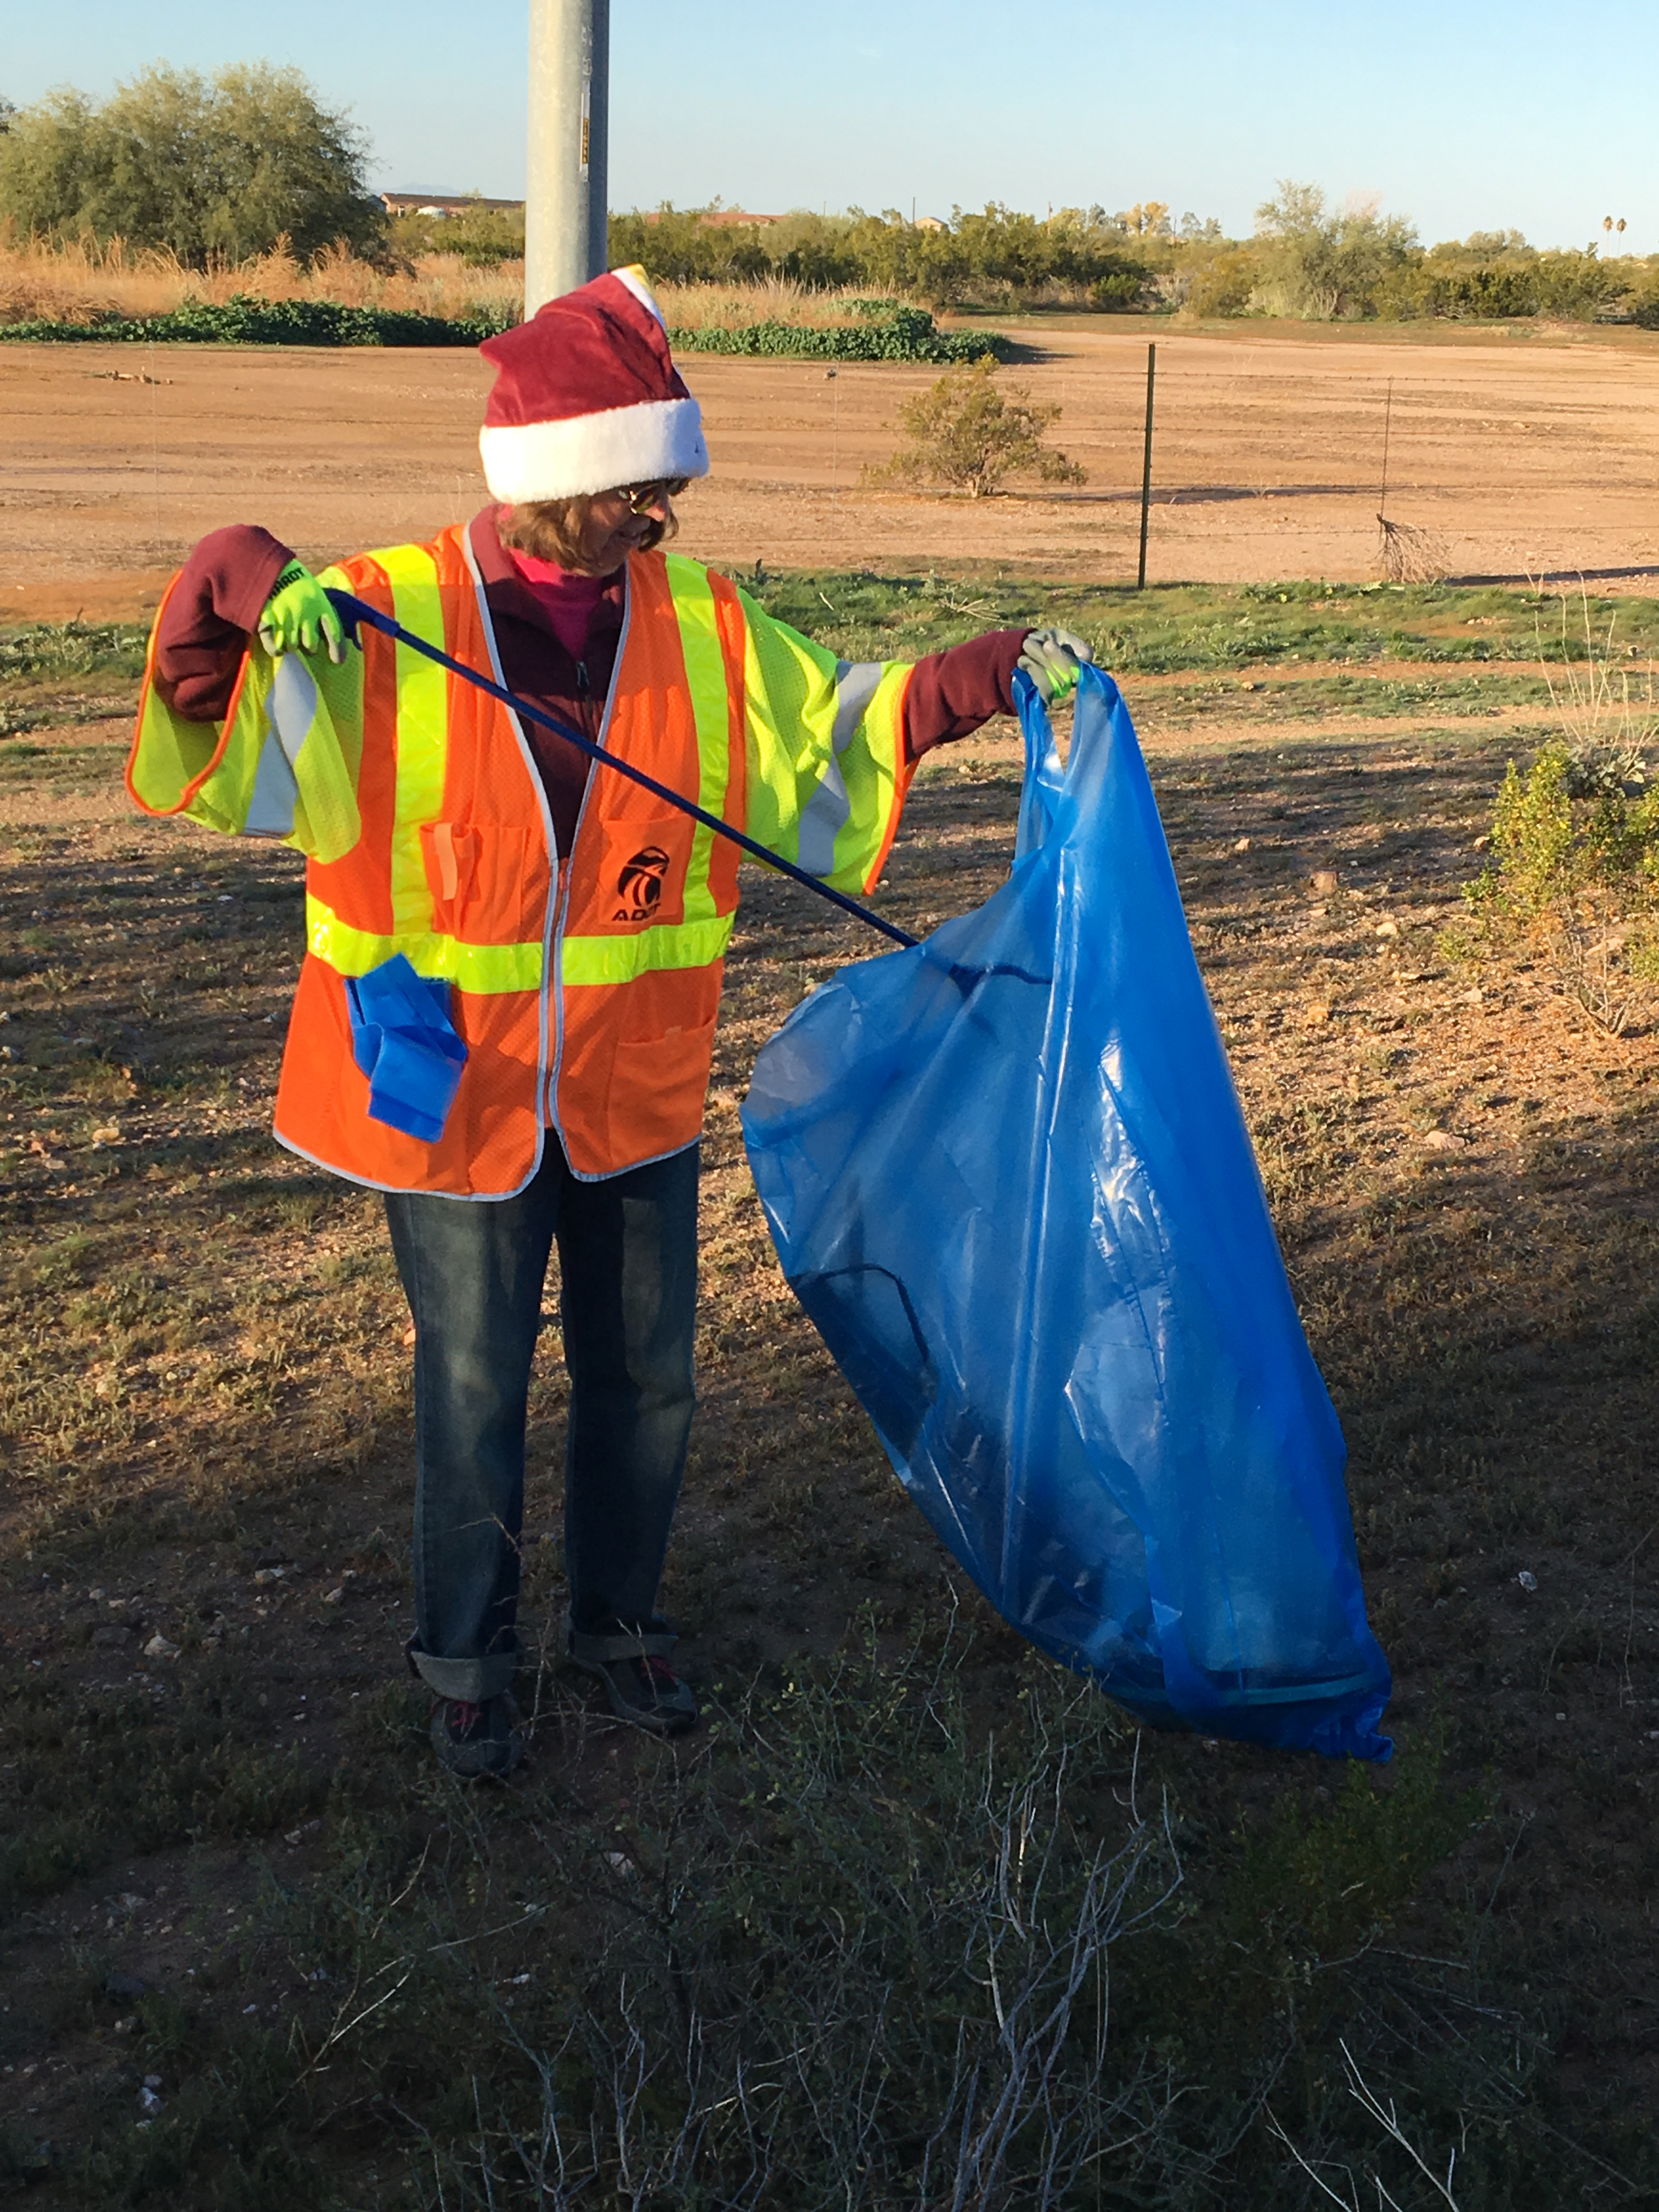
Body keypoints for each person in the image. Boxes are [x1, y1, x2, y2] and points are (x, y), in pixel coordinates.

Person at [127, 266, 1091, 1778]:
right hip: (455, 1093)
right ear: (561, 488)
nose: (664, 523)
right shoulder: (381, 616)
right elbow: (217, 722)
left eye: (667, 497)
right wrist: (231, 571)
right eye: (642, 496)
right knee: (474, 1385)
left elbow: (839, 722)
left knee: (649, 1380)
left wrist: (983, 677)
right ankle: (467, 1655)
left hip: (632, 1089)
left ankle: (619, 1626)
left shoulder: (702, 623)